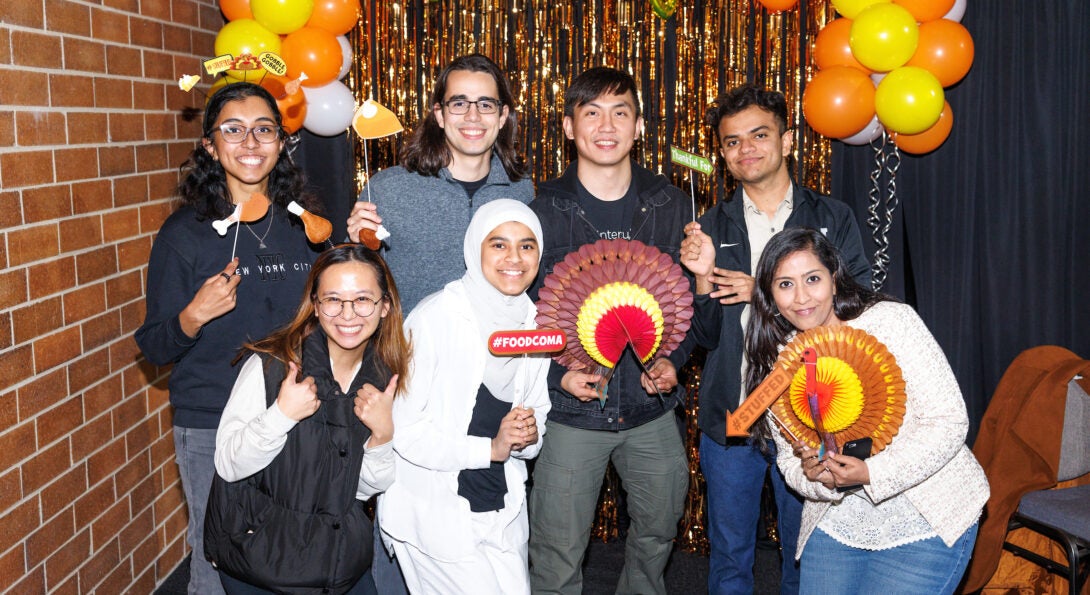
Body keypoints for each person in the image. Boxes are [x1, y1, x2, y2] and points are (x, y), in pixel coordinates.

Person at [679, 83, 871, 594]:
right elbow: (701, 336)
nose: (747, 149)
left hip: (810, 418)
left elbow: (861, 309)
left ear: (786, 141)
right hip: (737, 418)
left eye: (760, 135)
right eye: (733, 141)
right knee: (729, 561)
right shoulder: (709, 227)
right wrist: (701, 279)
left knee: (807, 558)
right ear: (722, 154)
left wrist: (766, 293)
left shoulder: (832, 218)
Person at [134, 82, 322, 595]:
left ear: (282, 142)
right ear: (210, 147)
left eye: (264, 129)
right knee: (218, 563)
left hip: (295, 414)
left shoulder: (304, 225)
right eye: (233, 130)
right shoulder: (185, 232)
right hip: (212, 422)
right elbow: (154, 346)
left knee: (292, 556)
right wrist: (193, 315)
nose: (250, 142)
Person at [745, 227, 988, 594]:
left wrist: (870, 472)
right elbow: (789, 462)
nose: (801, 297)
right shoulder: (784, 361)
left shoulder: (891, 322)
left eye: (812, 279)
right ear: (770, 296)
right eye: (785, 285)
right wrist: (816, 476)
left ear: (835, 277)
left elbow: (949, 421)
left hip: (927, 517)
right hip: (837, 521)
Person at [526, 66, 692, 595]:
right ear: (570, 127)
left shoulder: (673, 205)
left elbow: (686, 307)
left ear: (638, 126)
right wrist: (557, 378)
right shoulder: (540, 209)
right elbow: (516, 313)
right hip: (573, 412)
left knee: (657, 537)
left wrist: (675, 360)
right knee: (556, 554)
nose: (606, 125)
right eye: (591, 112)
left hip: (651, 410)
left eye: (621, 112)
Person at [205, 245, 410, 594]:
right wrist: (280, 415)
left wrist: (382, 436)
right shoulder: (273, 366)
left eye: (363, 299)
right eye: (333, 300)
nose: (348, 314)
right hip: (259, 560)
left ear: (385, 307)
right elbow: (228, 465)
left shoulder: (386, 378)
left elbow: (360, 491)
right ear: (315, 305)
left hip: (335, 561)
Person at [378, 199, 550, 594]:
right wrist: (491, 448)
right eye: (498, 244)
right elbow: (404, 432)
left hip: (501, 508)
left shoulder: (536, 323)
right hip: (434, 512)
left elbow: (537, 418)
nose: (514, 257)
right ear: (475, 248)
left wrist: (526, 435)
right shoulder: (435, 317)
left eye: (527, 245)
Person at [346, 53, 534, 312]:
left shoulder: (521, 189)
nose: (473, 116)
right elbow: (356, 282)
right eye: (459, 104)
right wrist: (355, 243)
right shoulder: (388, 190)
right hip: (411, 350)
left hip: (500, 348)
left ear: (502, 117)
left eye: (485, 105)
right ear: (440, 114)